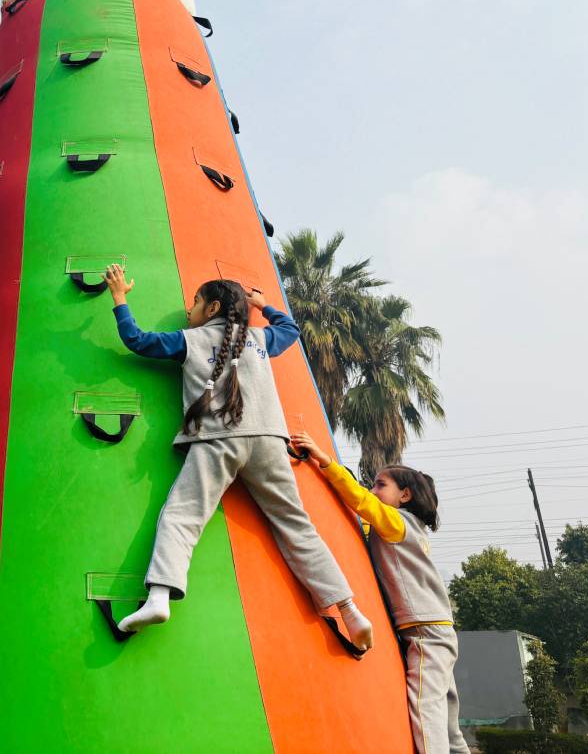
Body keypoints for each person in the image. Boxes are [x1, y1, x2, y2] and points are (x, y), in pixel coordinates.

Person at [104, 266, 374, 650]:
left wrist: (119, 297)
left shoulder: (189, 340)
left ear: (212, 307)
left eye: (196, 301)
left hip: (217, 440)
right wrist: (264, 306)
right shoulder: (260, 338)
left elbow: (137, 340)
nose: (189, 309)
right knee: (296, 525)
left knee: (182, 516)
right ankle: (350, 609)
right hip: (268, 439)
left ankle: (159, 597)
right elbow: (290, 330)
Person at [293, 431, 470, 753]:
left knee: (426, 705)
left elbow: (361, 502)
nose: (373, 490)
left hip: (425, 631)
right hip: (439, 629)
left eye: (380, 485)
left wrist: (324, 461)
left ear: (404, 495)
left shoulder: (396, 522)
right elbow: (363, 523)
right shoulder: (406, 528)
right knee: (447, 717)